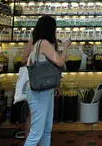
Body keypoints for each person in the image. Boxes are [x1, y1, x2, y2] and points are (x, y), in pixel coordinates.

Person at [24, 16, 70, 146]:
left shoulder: (38, 43)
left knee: (46, 129)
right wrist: (65, 46)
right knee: (36, 133)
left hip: (44, 89)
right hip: (39, 91)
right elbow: (60, 62)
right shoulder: (43, 43)